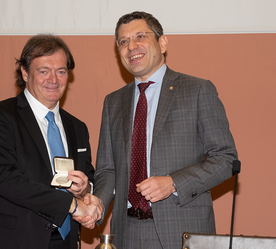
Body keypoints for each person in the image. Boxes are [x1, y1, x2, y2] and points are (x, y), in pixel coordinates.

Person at [92, 11, 238, 249]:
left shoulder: (197, 90)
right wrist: (97, 203)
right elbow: (108, 170)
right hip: (126, 233)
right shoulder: (113, 102)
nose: (131, 47)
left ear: (162, 42)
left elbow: (226, 159)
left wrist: (173, 183)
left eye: (140, 36)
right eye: (123, 41)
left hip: (181, 230)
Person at [0, 34, 101, 249]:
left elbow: (89, 174)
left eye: (61, 71)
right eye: (43, 71)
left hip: (65, 241)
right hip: (15, 240)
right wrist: (72, 205)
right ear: (25, 73)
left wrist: (85, 191)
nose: (54, 79)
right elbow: (5, 179)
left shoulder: (77, 127)